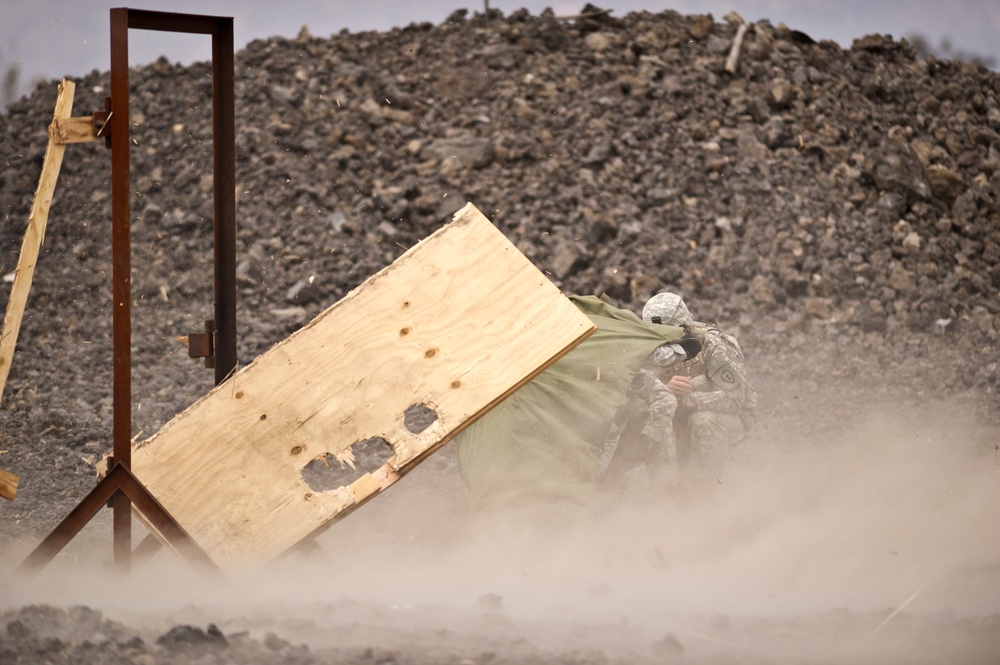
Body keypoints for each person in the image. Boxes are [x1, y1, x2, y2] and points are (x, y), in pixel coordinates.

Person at [597, 292, 757, 495]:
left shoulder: (713, 344)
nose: (663, 342)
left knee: (703, 421)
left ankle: (704, 492)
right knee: (641, 415)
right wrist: (665, 391)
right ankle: (659, 492)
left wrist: (689, 399)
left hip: (727, 418)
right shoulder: (651, 346)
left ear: (683, 327)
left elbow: (735, 400)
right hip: (678, 415)